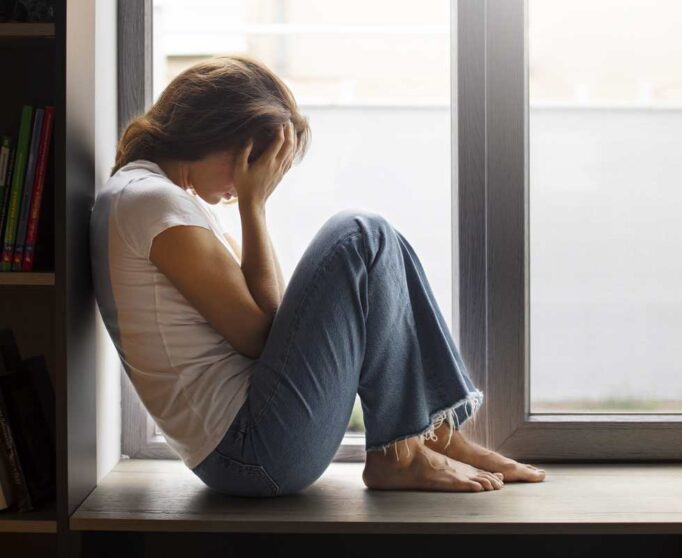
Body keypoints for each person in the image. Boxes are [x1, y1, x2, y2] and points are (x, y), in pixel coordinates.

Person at [90, 54, 546, 498]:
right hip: (249, 450)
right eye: (254, 163)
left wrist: (253, 205)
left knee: (378, 240)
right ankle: (399, 454)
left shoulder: (157, 199)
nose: (248, 182)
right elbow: (260, 337)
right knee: (361, 234)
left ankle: (435, 436)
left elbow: (271, 320)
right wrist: (253, 205)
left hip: (252, 446)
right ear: (217, 133)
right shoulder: (153, 202)